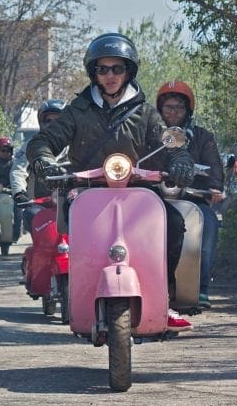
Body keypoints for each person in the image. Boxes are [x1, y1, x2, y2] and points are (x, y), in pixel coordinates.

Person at [26, 32, 198, 332]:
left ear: (128, 71)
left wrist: (180, 161)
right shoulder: (77, 111)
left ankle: (164, 298)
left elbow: (170, 145)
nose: (110, 76)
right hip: (88, 192)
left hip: (139, 193)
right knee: (71, 241)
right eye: (103, 69)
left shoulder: (146, 113)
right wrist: (43, 159)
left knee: (174, 224)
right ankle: (80, 298)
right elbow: (45, 141)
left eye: (117, 69)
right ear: (94, 72)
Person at [156, 80, 223, 310]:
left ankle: (201, 288)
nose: (173, 112)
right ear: (160, 110)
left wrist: (214, 187)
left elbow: (214, 167)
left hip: (192, 200)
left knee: (208, 223)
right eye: (168, 107)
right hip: (154, 199)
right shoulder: (151, 133)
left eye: (179, 108)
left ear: (188, 110)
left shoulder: (203, 137)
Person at [10, 99, 66, 234]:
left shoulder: (76, 144)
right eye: (48, 121)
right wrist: (19, 193)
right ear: (42, 122)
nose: (53, 125)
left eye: (57, 121)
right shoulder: (31, 145)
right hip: (40, 203)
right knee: (31, 215)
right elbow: (18, 170)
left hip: (71, 203)